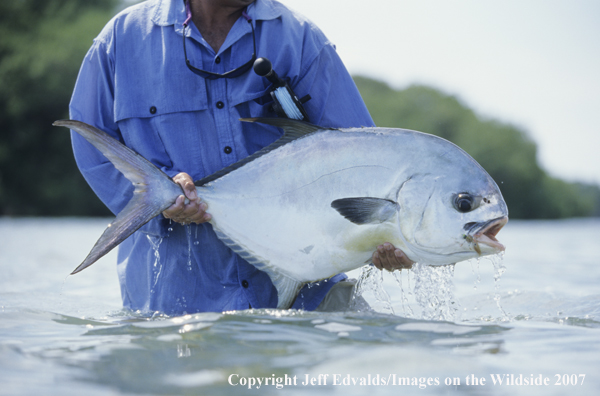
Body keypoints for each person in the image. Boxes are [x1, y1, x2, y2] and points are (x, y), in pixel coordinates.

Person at [70, 0, 412, 315]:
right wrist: (162, 204)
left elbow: (365, 160)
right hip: (175, 304)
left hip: (309, 297)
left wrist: (383, 237)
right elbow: (92, 147)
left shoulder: (300, 38)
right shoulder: (121, 39)